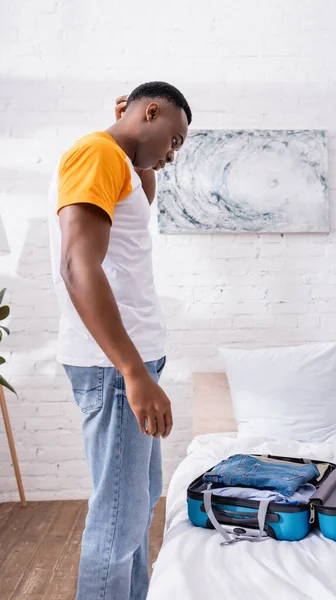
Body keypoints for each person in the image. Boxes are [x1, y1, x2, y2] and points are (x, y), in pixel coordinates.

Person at [48, 81, 192, 600]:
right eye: (173, 139)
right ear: (150, 110)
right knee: (117, 520)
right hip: (114, 368)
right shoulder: (96, 153)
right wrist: (132, 372)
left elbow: (141, 202)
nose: (172, 155)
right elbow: (76, 264)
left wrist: (144, 145)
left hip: (129, 362)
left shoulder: (120, 164)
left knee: (136, 505)